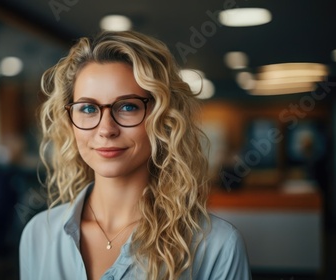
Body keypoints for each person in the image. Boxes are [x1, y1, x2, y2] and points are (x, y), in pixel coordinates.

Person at [19, 30, 251, 279]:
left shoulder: (216, 245)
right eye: (87, 108)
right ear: (70, 121)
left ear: (163, 119)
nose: (106, 129)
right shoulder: (38, 234)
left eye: (128, 106)